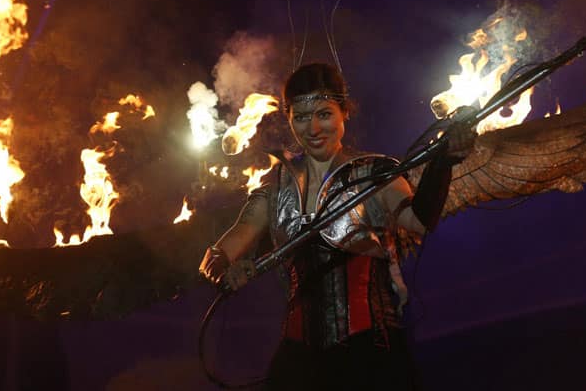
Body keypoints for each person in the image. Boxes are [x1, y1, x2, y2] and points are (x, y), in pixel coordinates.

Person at [199, 63, 471, 390]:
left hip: (371, 356)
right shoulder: (275, 188)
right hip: (299, 365)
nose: (313, 128)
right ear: (289, 121)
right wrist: (223, 267)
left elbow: (419, 221)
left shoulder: (375, 173)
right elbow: (222, 249)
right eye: (301, 117)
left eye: (324, 114)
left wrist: (443, 163)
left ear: (344, 112)